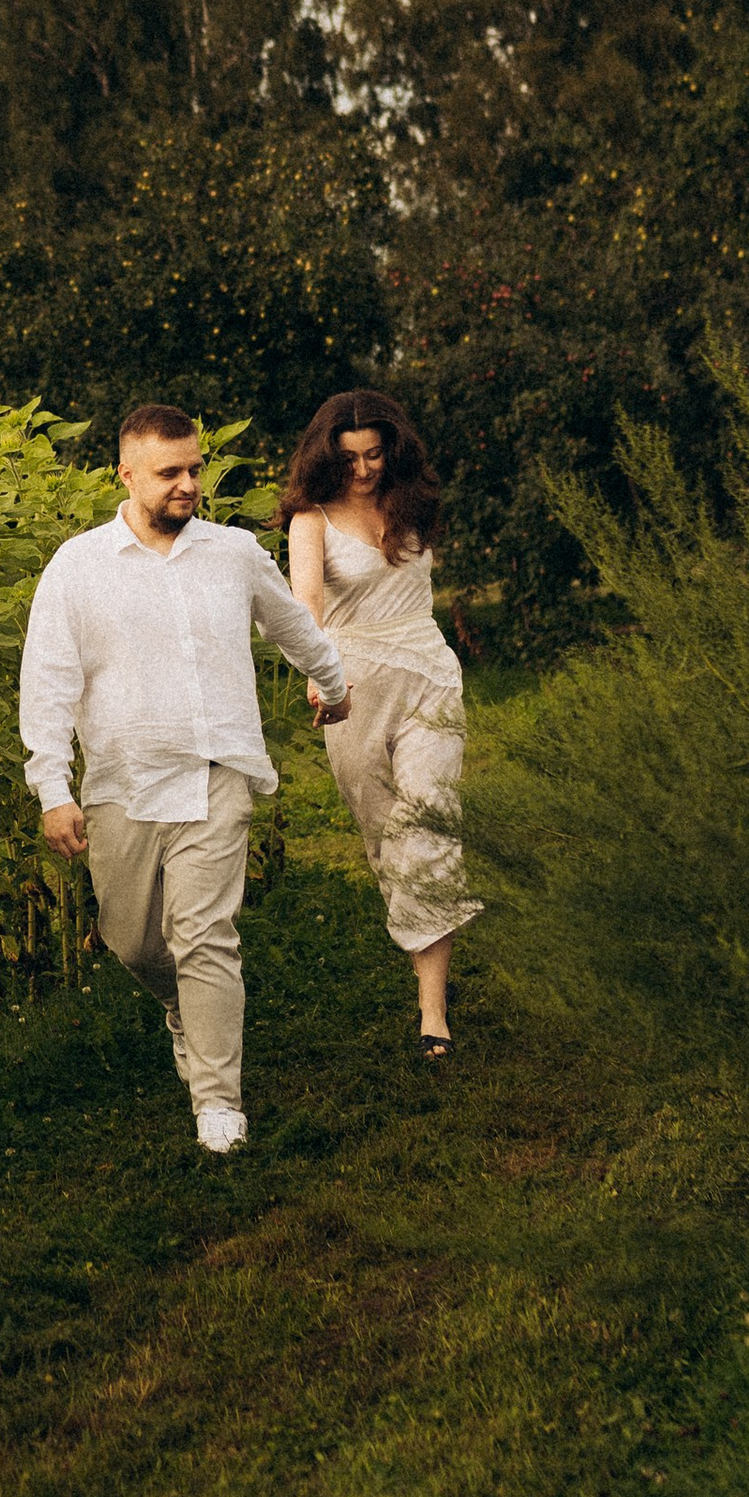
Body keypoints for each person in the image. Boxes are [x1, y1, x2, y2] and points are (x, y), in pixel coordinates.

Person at [21, 403, 347, 1155]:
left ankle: (218, 1104)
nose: (188, 484)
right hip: (119, 783)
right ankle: (188, 1011)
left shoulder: (233, 554)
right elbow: (48, 682)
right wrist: (52, 788)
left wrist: (333, 682)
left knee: (205, 938)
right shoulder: (78, 566)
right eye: (169, 473)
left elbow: (293, 625)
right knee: (134, 943)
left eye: (195, 469)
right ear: (126, 475)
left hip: (215, 770)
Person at [280, 389, 482, 1055]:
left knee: (427, 824)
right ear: (325, 456)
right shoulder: (311, 519)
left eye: (374, 454)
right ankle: (426, 939)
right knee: (384, 833)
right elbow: (306, 599)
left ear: (392, 448)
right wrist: (318, 671)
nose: (364, 470)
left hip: (427, 673)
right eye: (350, 458)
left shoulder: (412, 502)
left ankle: (433, 1014)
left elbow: (419, 586)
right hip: (354, 685)